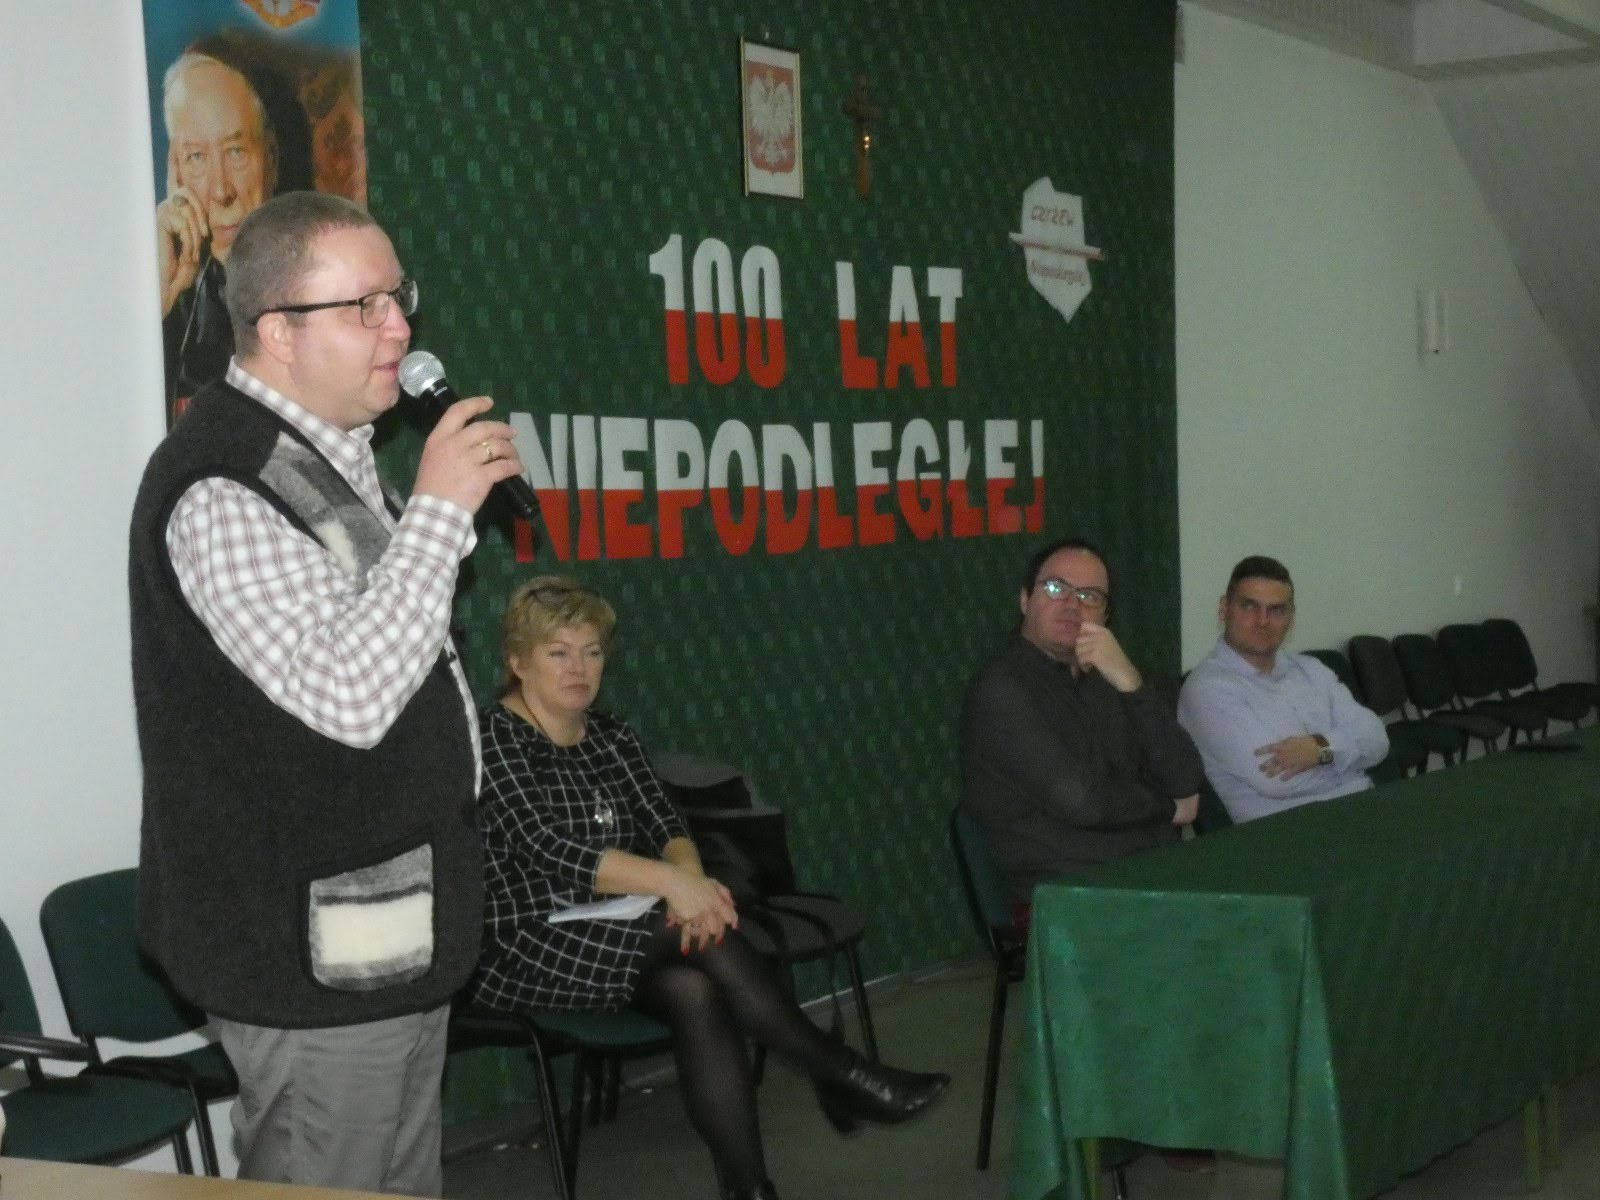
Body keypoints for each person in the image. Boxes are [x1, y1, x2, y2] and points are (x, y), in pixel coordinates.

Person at [131, 190, 528, 1195]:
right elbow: (350, 698)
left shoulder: (325, 460)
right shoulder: (222, 486)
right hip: (303, 955)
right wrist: (438, 513)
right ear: (277, 332)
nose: (400, 330)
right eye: (364, 307)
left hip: (386, 934)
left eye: (399, 298)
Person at [471, 577, 949, 1200]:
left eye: (591, 652)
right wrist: (675, 886)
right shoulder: (493, 739)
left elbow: (667, 823)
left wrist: (691, 886)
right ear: (517, 662)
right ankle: (837, 1072)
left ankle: (751, 1188)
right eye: (558, 653)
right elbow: (547, 849)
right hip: (524, 938)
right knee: (697, 937)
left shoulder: (611, 735)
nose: (579, 669)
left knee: (695, 989)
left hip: (621, 928)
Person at [959, 537, 1203, 919]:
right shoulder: (1001, 689)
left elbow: (1186, 777)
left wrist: (1130, 683)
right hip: (1068, 893)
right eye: (1056, 588)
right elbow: (1082, 802)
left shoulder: (1110, 674)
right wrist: (1167, 808)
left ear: (1105, 616)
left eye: (1090, 596)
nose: (1073, 605)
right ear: (1025, 600)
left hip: (1148, 872)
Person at [1178, 556, 1389, 824]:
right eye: (1249, 606)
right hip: (1288, 831)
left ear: (1291, 617)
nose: (1263, 621)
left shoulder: (1312, 670)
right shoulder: (1206, 689)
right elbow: (1277, 782)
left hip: (1361, 807)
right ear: (1224, 609)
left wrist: (1320, 749)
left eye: (1277, 610)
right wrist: (1349, 757)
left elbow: (1378, 740)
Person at [157, 51, 278, 417]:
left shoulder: (318, 283)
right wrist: (161, 297)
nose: (221, 191)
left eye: (236, 152)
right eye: (196, 157)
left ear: (271, 158)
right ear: (175, 172)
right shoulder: (162, 294)